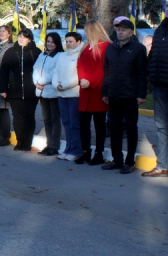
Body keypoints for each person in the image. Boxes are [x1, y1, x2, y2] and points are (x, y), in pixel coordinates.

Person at [101, 18, 148, 174]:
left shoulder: (138, 49)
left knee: (130, 129)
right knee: (114, 128)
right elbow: (107, 72)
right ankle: (117, 159)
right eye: (118, 30)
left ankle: (129, 161)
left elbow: (142, 73)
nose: (119, 32)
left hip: (130, 95)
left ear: (130, 32)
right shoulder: (110, 49)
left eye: (123, 30)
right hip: (113, 94)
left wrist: (141, 94)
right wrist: (105, 92)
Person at [0, 28, 42, 151]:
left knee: (29, 116)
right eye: (19, 36)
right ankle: (20, 141)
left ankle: (27, 142)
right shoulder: (10, 52)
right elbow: (3, 71)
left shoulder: (36, 52)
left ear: (29, 39)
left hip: (31, 91)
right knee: (17, 117)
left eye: (24, 37)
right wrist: (3, 89)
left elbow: (40, 70)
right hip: (14, 90)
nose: (21, 39)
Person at [77, 21, 111, 165]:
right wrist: (82, 79)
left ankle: (99, 152)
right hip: (85, 92)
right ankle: (85, 151)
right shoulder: (86, 47)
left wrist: (91, 82)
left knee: (99, 125)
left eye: (87, 31)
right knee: (83, 124)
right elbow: (80, 65)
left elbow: (104, 70)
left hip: (98, 91)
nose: (85, 34)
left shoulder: (106, 47)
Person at [53, 32, 84, 160]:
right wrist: (56, 85)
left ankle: (76, 150)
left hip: (74, 94)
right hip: (61, 94)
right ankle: (68, 148)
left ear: (78, 41)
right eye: (66, 41)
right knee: (66, 122)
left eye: (71, 41)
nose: (68, 43)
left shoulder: (81, 55)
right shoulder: (62, 55)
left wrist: (64, 84)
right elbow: (56, 72)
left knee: (74, 123)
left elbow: (79, 75)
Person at [144, 15, 168, 177]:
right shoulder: (161, 28)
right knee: (162, 127)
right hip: (160, 84)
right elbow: (153, 53)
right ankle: (163, 165)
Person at [32, 32, 64, 156]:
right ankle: (48, 144)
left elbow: (55, 72)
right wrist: (36, 82)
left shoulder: (60, 55)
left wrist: (41, 81)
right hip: (42, 91)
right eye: (48, 41)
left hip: (53, 91)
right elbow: (35, 68)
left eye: (52, 42)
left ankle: (54, 146)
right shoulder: (42, 54)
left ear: (57, 43)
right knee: (46, 120)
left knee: (55, 120)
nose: (50, 44)